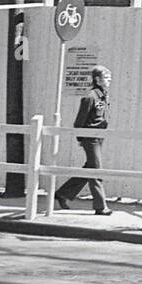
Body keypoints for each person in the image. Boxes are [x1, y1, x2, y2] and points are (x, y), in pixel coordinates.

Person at [54, 65, 114, 215]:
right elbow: (80, 121)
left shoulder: (103, 95)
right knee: (96, 171)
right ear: (97, 79)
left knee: (90, 168)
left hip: (99, 137)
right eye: (106, 78)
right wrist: (81, 137)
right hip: (90, 138)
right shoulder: (90, 97)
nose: (109, 81)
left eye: (109, 78)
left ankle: (63, 193)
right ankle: (100, 206)